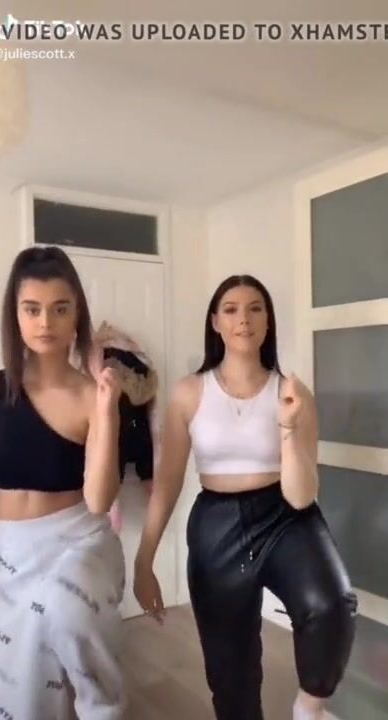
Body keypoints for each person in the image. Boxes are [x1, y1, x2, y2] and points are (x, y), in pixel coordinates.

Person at [134, 274, 357, 720]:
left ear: (268, 321)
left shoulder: (292, 393)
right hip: (216, 524)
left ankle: (308, 709)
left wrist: (288, 427)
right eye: (231, 310)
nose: (244, 319)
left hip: (287, 518)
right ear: (215, 322)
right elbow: (169, 479)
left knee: (332, 607)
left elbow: (301, 496)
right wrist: (145, 559)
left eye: (256, 308)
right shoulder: (188, 393)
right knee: (230, 672)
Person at [0, 246, 125, 720]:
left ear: (76, 314)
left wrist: (107, 411)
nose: (46, 322)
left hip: (77, 544)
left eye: (60, 309)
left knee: (70, 612)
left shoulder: (92, 396)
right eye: (32, 309)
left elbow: (99, 499)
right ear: (15, 315)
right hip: (9, 554)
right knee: (20, 693)